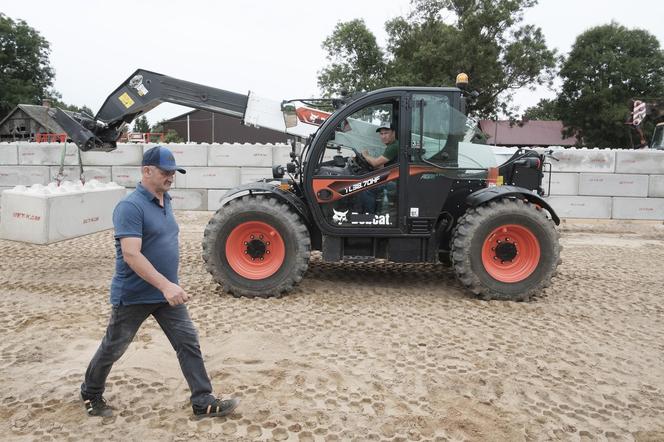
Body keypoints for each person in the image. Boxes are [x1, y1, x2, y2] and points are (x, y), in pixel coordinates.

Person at [80, 145, 239, 419]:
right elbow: (131, 254)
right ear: (146, 170)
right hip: (134, 294)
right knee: (114, 347)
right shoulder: (130, 207)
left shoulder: (166, 200)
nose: (171, 176)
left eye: (173, 172)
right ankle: (90, 392)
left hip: (167, 296)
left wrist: (169, 285)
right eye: (165, 172)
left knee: (188, 342)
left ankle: (203, 402)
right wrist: (165, 284)